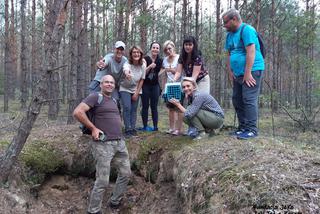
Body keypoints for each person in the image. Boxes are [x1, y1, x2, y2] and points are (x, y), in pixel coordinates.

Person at [73, 75, 131, 214]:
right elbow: (77, 112)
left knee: (126, 173)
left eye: (112, 82)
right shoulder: (95, 97)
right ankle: (93, 210)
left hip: (119, 143)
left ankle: (115, 201)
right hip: (103, 144)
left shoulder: (114, 100)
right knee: (103, 180)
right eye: (106, 82)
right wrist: (93, 128)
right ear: (101, 84)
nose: (109, 84)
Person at [222, 9, 264, 139]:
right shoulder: (229, 35)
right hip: (238, 73)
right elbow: (229, 54)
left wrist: (248, 73)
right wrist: (230, 71)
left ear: (234, 19)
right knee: (237, 99)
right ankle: (243, 127)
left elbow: (251, 51)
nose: (224, 26)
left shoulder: (247, 30)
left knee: (249, 99)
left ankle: (252, 130)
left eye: (226, 23)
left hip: (252, 71)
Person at [119, 45, 146, 137]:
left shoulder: (143, 65)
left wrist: (136, 93)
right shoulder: (127, 63)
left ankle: (133, 128)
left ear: (140, 54)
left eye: (138, 52)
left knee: (134, 109)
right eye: (134, 52)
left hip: (136, 88)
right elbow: (125, 69)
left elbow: (142, 79)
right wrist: (127, 73)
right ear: (131, 54)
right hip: (125, 88)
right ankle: (127, 129)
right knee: (127, 107)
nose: (136, 54)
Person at [159, 40, 184, 136]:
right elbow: (162, 72)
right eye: (166, 50)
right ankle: (171, 128)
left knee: (179, 106)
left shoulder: (179, 58)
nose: (168, 51)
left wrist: (171, 70)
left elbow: (180, 71)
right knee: (170, 107)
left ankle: (179, 129)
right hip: (169, 85)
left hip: (179, 84)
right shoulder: (164, 60)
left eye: (170, 48)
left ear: (173, 47)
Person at [140, 42, 163, 131]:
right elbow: (142, 73)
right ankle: (145, 126)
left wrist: (160, 73)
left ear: (159, 50)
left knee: (154, 106)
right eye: (154, 47)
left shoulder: (160, 60)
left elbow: (164, 68)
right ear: (151, 49)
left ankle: (155, 127)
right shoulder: (145, 59)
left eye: (157, 48)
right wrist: (149, 66)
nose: (155, 49)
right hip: (145, 85)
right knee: (145, 106)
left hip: (155, 86)